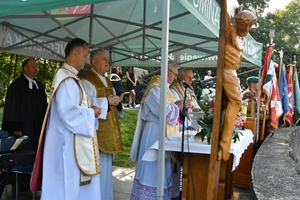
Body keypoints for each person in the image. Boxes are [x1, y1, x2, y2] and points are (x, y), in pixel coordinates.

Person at [30, 38, 102, 200]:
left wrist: (90, 111)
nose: (86, 60)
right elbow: (69, 114)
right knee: (66, 187)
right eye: (84, 56)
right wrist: (91, 112)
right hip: (67, 144)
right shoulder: (66, 79)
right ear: (74, 53)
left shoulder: (70, 77)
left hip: (69, 141)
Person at [130, 61, 187, 199]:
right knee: (152, 169)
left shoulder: (165, 88)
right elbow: (165, 112)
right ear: (167, 72)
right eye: (174, 74)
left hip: (163, 133)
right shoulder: (155, 88)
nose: (175, 77)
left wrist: (177, 106)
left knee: (162, 170)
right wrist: (177, 106)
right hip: (154, 133)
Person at [81, 49, 122, 200]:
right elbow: (85, 105)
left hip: (108, 130)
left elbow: (108, 100)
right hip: (95, 134)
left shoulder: (106, 79)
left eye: (108, 59)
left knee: (106, 172)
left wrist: (115, 101)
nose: (107, 62)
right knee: (98, 173)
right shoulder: (86, 80)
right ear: (93, 62)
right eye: (104, 59)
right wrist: (106, 101)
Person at [2, 58, 47, 193]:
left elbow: (44, 107)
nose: (36, 69)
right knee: (23, 154)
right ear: (25, 69)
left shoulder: (38, 86)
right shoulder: (16, 86)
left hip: (37, 129)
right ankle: (19, 185)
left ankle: (35, 183)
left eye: (36, 67)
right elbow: (11, 108)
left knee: (36, 153)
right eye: (33, 67)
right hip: (23, 129)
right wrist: (15, 128)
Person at [218, 2, 257, 161]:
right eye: (245, 27)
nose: (247, 31)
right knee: (236, 102)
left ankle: (224, 145)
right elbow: (226, 14)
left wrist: (239, 10)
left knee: (234, 102)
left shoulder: (239, 35)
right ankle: (223, 147)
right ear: (239, 24)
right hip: (226, 71)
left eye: (249, 27)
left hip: (232, 72)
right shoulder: (230, 30)